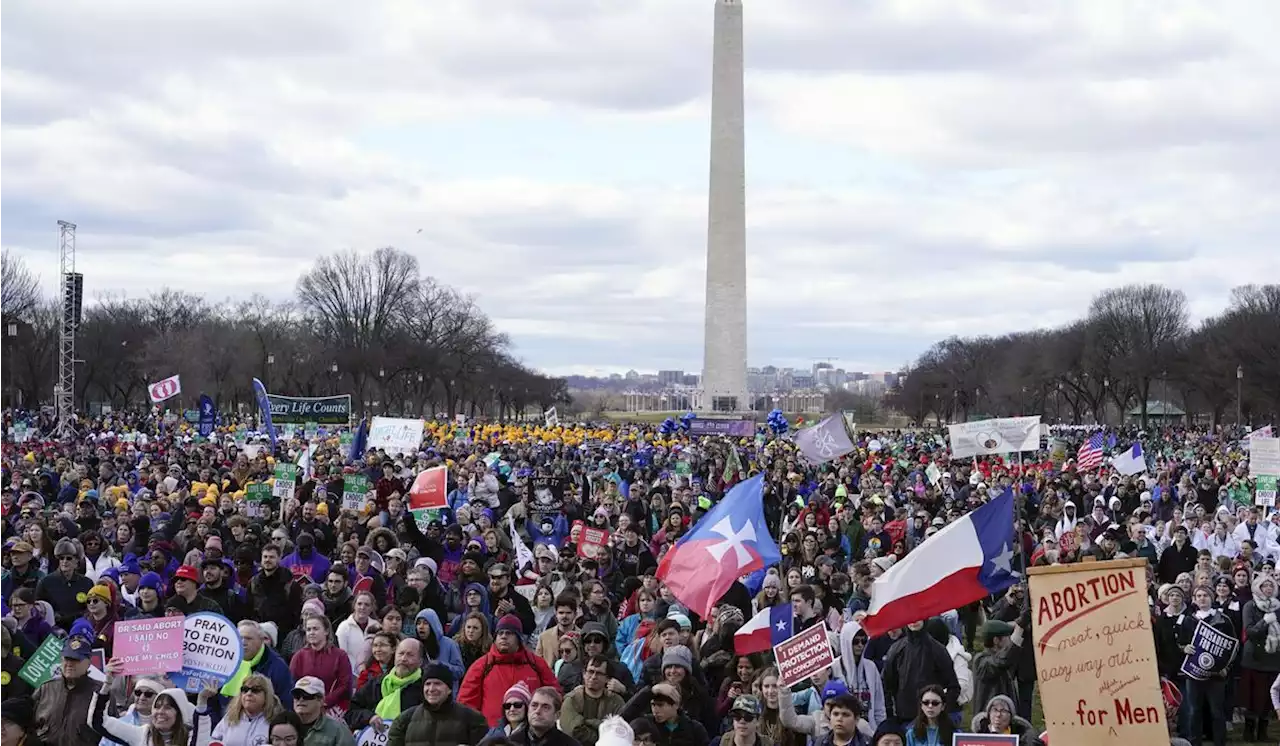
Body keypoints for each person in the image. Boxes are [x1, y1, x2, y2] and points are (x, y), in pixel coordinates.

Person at [458, 614, 560, 725]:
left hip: (531, 734)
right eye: (500, 633)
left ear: (519, 638)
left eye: (509, 633)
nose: (503, 637)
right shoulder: (481, 665)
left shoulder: (536, 664)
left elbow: (554, 696)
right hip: (491, 734)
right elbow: (466, 704)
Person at [91, 657, 216, 746]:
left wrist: (202, 702)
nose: (160, 712)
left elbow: (201, 740)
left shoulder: (189, 738)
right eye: (157, 707)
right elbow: (98, 721)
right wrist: (107, 684)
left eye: (167, 707)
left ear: (179, 713)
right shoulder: (142, 735)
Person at [386, 663, 489, 746]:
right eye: (428, 684)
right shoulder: (404, 720)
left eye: (437, 683)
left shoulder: (473, 719)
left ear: (449, 689)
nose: (431, 689)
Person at [32, 634, 101, 746]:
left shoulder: (100, 693)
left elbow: (110, 736)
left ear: (88, 663)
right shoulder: (45, 689)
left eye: (75, 659)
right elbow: (29, 726)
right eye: (66, 658)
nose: (69, 664)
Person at [346, 638, 425, 732]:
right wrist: (369, 718)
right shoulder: (377, 683)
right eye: (401, 654)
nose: (403, 659)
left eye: (410, 655)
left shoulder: (425, 687)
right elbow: (351, 710)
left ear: (420, 661)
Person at [222, 620, 295, 709]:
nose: (243, 642)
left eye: (248, 638)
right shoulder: (225, 661)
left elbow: (286, 703)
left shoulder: (278, 666)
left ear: (261, 640)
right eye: (240, 638)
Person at [289, 615, 353, 716]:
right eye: (308, 629)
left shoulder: (340, 656)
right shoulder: (299, 656)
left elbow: (344, 686)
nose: (311, 633)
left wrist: (324, 702)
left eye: (315, 629)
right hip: (305, 706)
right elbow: (292, 683)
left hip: (333, 707)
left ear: (326, 631)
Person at [561, 655, 627, 746]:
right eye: (590, 672)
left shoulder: (616, 701)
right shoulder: (572, 700)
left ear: (607, 678)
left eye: (599, 673)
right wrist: (603, 732)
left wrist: (588, 722)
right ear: (584, 674)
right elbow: (574, 732)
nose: (593, 677)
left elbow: (620, 732)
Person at [210, 674, 284, 746]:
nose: (249, 693)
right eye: (245, 690)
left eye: (255, 690)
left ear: (267, 695)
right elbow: (214, 741)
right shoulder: (230, 717)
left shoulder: (276, 720)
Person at [290, 677, 354, 746]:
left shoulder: (338, 731)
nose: (301, 700)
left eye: (307, 696)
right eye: (296, 696)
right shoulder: (284, 725)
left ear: (321, 700)